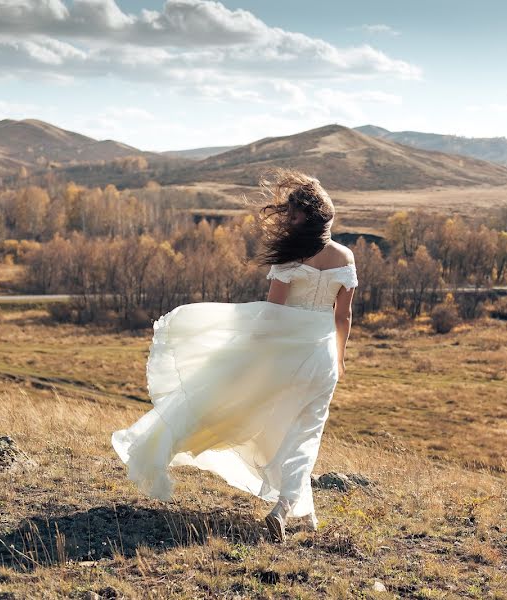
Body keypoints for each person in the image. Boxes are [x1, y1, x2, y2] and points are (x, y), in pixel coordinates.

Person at [111, 168, 357, 543]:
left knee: (278, 427)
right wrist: (339, 358)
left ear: (303, 219)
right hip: (322, 355)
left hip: (283, 356)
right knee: (305, 431)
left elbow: (273, 315)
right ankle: (291, 508)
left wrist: (243, 356)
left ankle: (291, 508)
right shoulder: (345, 256)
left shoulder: (290, 260)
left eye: (291, 213)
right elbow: (344, 315)